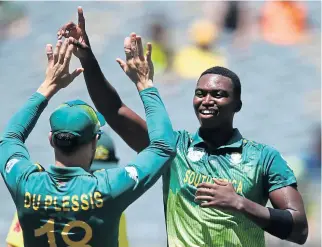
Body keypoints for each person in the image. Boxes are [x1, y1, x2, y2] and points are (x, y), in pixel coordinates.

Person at [58, 7, 308, 246]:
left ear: (238, 104)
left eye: (218, 94)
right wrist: (87, 58)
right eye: (200, 93)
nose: (207, 100)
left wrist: (239, 203)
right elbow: (114, 110)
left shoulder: (263, 158)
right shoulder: (173, 148)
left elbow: (299, 228)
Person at [0, 34, 176, 247]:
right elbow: (163, 146)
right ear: (95, 140)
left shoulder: (25, 183)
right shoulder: (108, 188)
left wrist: (47, 86)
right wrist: (145, 84)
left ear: (51, 140)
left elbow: (10, 137)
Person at [6, 130, 129, 247]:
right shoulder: (37, 196)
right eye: (92, 172)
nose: (97, 180)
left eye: (103, 173)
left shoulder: (113, 206)